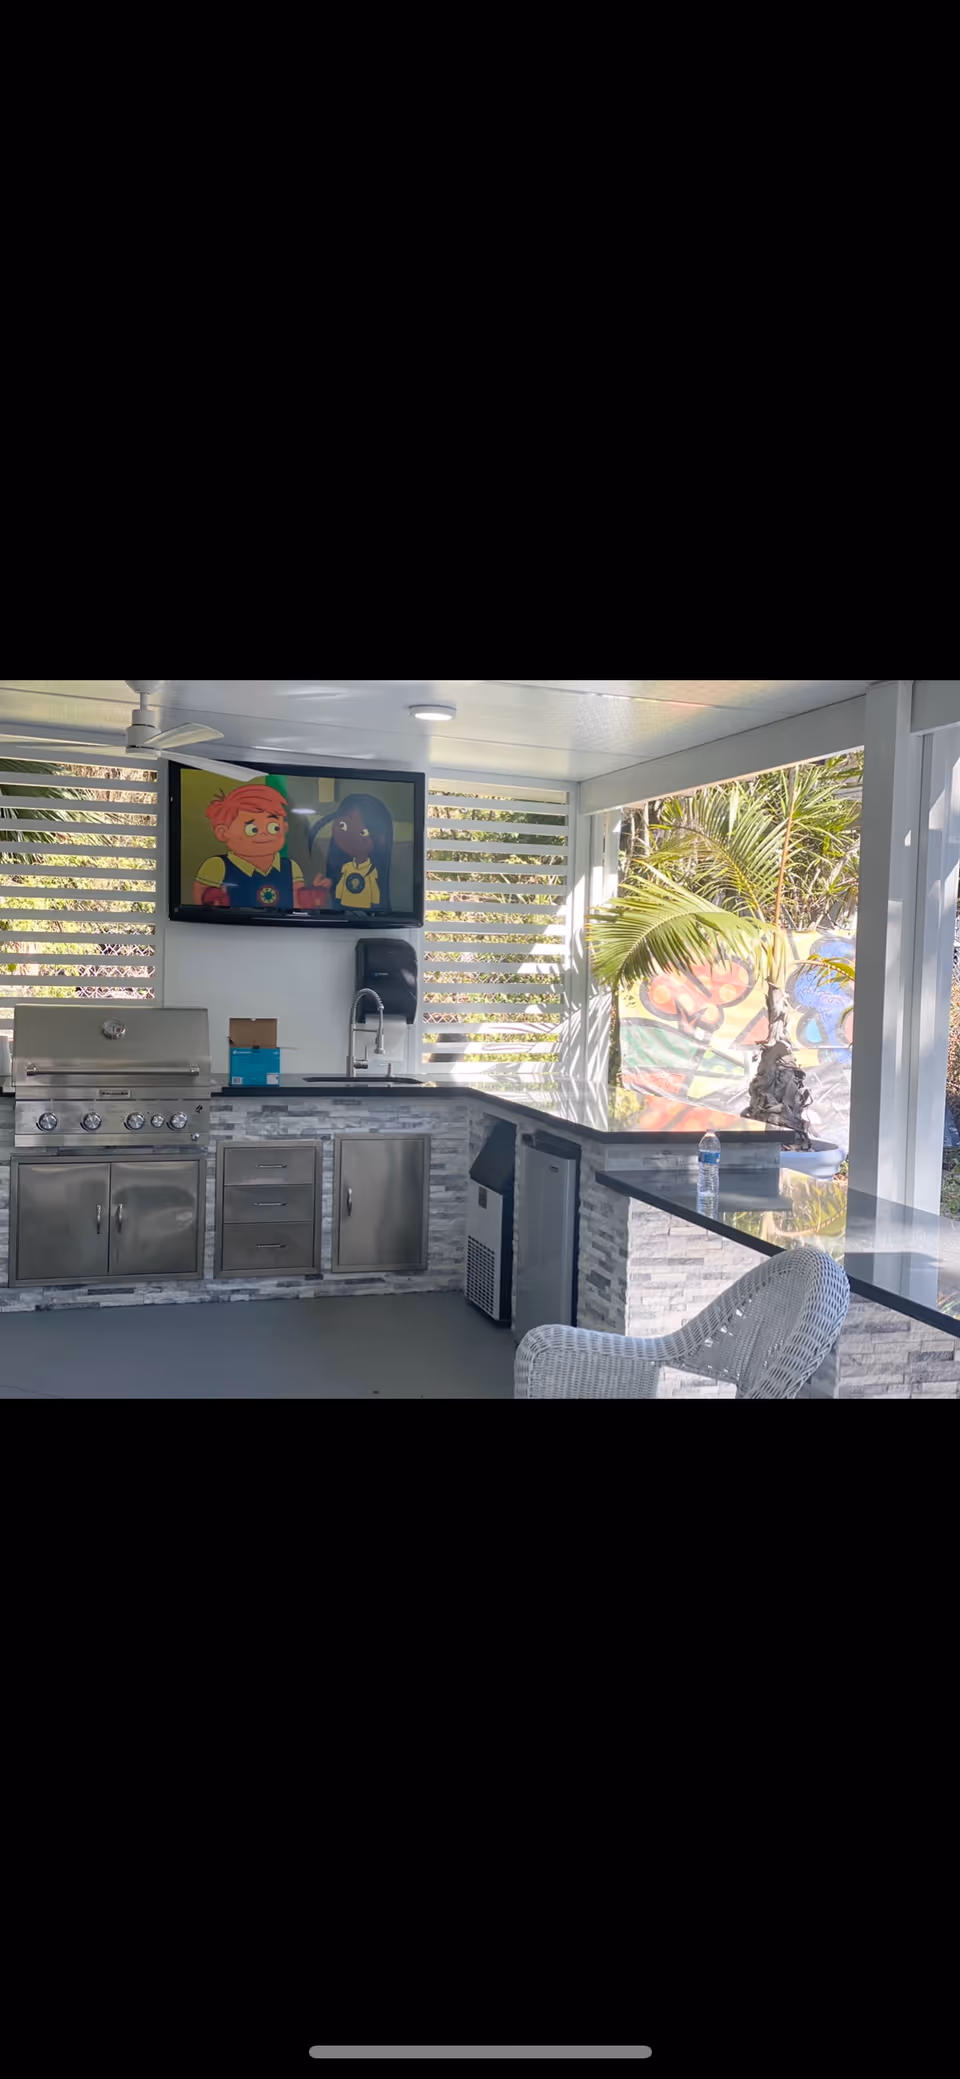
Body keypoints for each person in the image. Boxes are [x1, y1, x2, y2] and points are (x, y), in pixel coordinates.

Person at [193, 784, 322, 912]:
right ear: (223, 832)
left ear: (285, 827)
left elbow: (297, 906)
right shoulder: (217, 866)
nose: (264, 834)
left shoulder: (290, 867)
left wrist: (311, 898)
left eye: (274, 827)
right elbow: (200, 907)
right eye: (252, 829)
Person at [308, 795, 394, 913]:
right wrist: (319, 896)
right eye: (343, 826)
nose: (352, 837)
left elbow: (377, 902)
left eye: (363, 832)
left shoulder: (373, 872)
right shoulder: (341, 867)